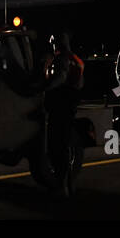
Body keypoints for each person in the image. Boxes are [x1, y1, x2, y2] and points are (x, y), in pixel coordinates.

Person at [41, 32, 85, 196]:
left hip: (59, 107)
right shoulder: (77, 60)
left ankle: (62, 186)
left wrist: (44, 87)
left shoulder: (60, 59)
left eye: (53, 41)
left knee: (56, 147)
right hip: (69, 106)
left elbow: (59, 78)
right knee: (64, 147)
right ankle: (68, 185)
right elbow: (80, 83)